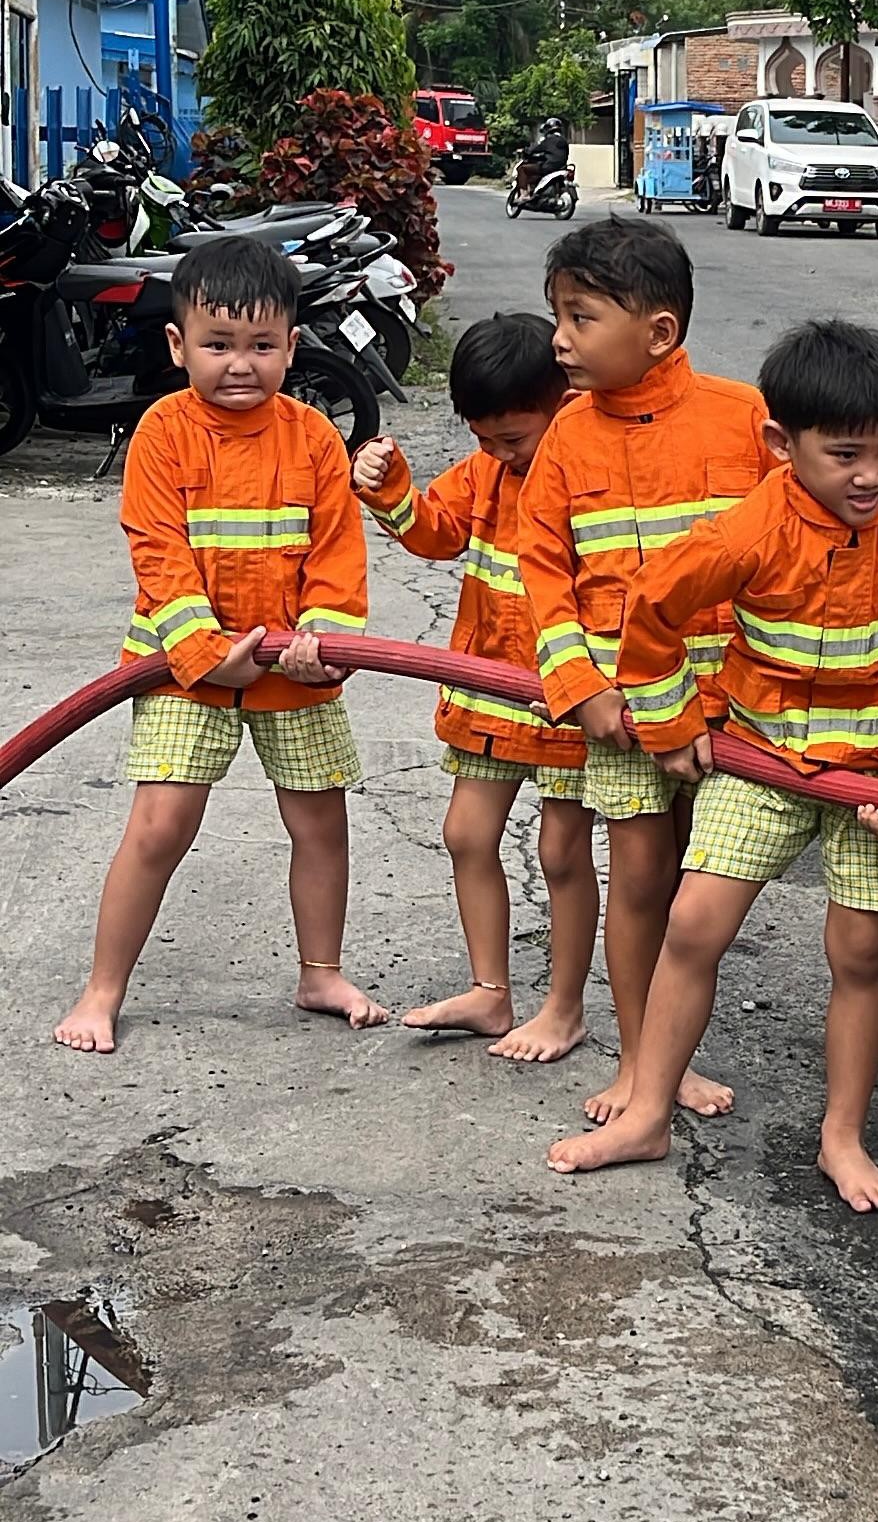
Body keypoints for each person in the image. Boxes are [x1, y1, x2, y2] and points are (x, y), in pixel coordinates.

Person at [549, 320, 878, 1197]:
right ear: (782, 444)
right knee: (694, 922)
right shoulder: (747, 530)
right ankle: (648, 1114)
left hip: (876, 779)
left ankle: (842, 1137)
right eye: (844, 453)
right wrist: (670, 725)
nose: (870, 477)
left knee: (860, 954)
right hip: (761, 757)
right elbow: (653, 614)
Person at [55, 234, 385, 1053]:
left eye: (263, 346)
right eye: (218, 345)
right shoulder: (163, 434)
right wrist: (206, 650)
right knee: (160, 825)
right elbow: (159, 554)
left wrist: (325, 636)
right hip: (181, 671)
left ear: (292, 346)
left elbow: (337, 550)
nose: (241, 364)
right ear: (178, 345)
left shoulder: (312, 439)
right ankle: (102, 991)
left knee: (320, 823)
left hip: (293, 671)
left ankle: (320, 971)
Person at [516, 214, 770, 1127]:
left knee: (702, 889)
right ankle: (636, 1060)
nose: (560, 339)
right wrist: (582, 690)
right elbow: (541, 577)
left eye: (582, 317)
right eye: (559, 315)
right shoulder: (566, 440)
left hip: (728, 712)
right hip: (620, 715)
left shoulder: (745, 420)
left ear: (659, 332)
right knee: (639, 878)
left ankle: (671, 1059)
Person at [353, 313, 600, 1061]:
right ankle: (492, 994)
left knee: (561, 852)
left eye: (514, 440)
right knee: (465, 833)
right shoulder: (486, 472)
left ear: (564, 406)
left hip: (564, 699)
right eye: (484, 440)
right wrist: (392, 489)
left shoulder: (591, 480)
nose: (498, 455)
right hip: (491, 690)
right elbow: (435, 532)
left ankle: (564, 1006)